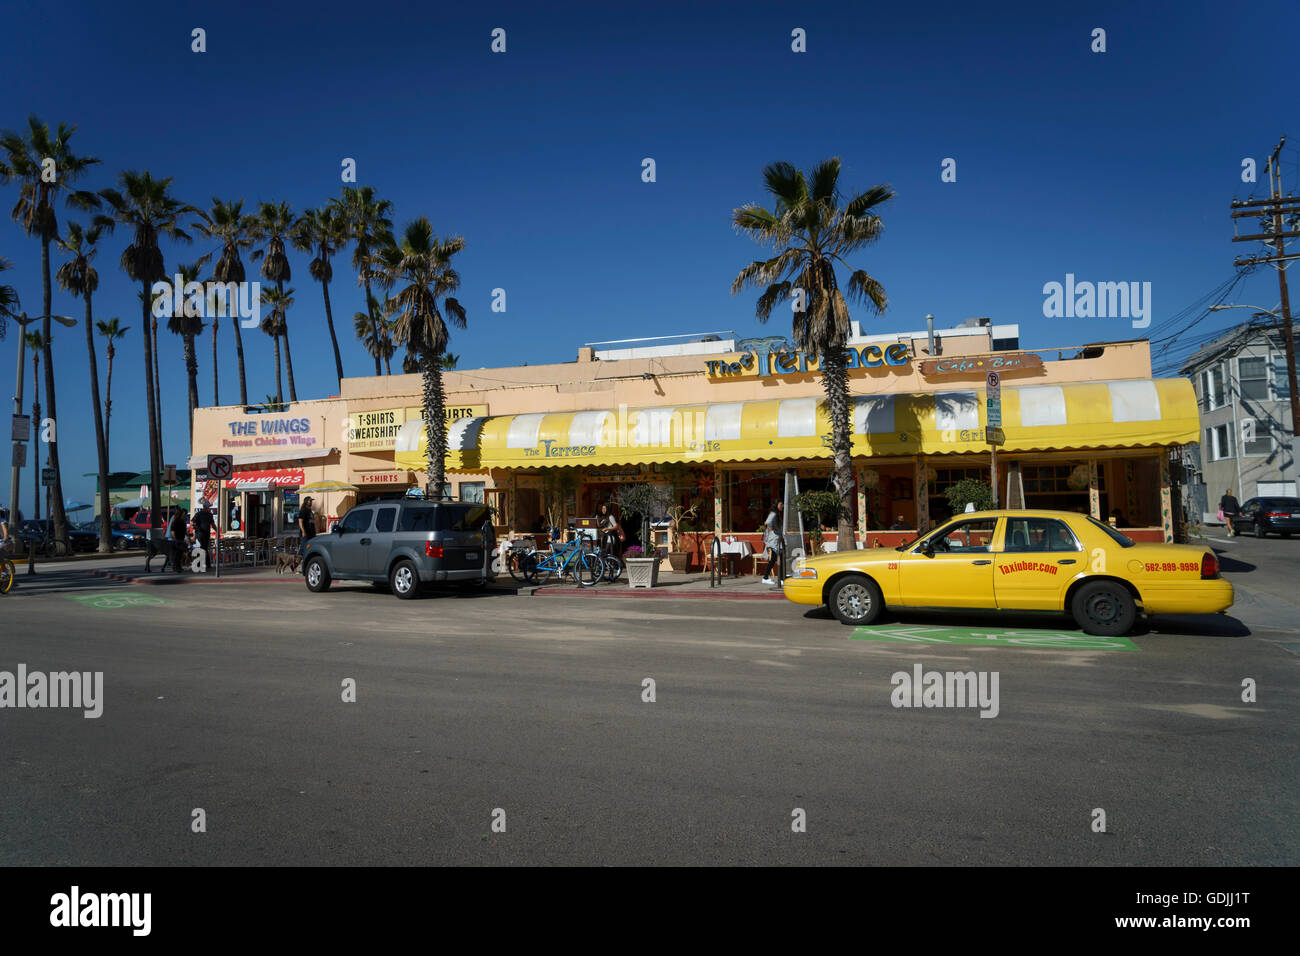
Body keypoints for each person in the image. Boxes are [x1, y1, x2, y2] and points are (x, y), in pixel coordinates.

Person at [762, 500, 783, 585]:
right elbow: (767, 522)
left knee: (775, 559)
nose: (782, 506)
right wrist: (773, 530)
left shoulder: (776, 514)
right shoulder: (773, 514)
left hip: (776, 539)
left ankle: (767, 577)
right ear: (776, 505)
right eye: (781, 504)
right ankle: (779, 579)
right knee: (778, 558)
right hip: (774, 540)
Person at [297, 496, 317, 573]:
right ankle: (298, 566)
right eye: (309, 501)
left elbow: (312, 522)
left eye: (311, 501)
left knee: (306, 550)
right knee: (303, 550)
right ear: (306, 502)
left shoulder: (310, 511)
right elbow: (300, 521)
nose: (311, 502)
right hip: (306, 534)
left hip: (311, 534)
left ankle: (296, 565)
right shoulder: (303, 510)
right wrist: (303, 531)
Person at [192, 502, 215, 567]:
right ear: (205, 507)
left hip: (206, 533)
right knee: (203, 547)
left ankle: (203, 563)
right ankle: (204, 563)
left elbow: (212, 524)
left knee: (204, 548)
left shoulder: (210, 514)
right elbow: (193, 522)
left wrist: (217, 531)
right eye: (208, 507)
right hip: (200, 533)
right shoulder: (199, 514)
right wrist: (197, 529)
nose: (209, 508)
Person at [166, 508, 188, 574]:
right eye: (183, 514)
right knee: (177, 554)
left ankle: (178, 567)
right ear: (180, 514)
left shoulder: (180, 521)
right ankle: (176, 567)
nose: (184, 515)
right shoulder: (176, 521)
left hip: (180, 539)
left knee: (179, 554)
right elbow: (173, 531)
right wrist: (175, 539)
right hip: (178, 540)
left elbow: (184, 531)